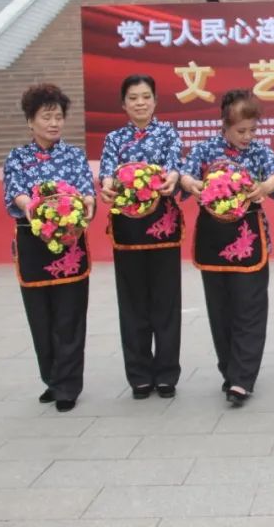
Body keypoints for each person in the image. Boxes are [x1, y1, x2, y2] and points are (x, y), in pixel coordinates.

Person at [180, 90, 274, 406]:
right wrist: (191, 184)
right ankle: (229, 370)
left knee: (250, 308)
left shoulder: (260, 151)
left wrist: (264, 187)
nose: (248, 137)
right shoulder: (206, 150)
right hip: (213, 237)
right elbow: (186, 174)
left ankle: (243, 378)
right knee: (221, 310)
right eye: (241, 131)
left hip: (251, 237)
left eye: (252, 130)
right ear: (225, 125)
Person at [3, 84, 95, 413]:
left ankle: (68, 385)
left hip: (69, 243)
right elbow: (16, 192)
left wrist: (87, 203)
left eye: (58, 117)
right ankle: (52, 378)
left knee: (69, 317)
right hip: (33, 243)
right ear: (31, 121)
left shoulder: (73, 155)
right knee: (41, 319)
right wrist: (32, 206)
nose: (54, 123)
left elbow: (86, 189)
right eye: (46, 117)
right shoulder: (17, 157)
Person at [98, 75, 185, 400]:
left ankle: (166, 374)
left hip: (163, 226)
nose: (140, 103)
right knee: (133, 304)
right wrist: (107, 186)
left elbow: (175, 167)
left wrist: (172, 178)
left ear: (155, 100)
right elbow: (106, 172)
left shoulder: (168, 133)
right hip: (127, 229)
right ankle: (138, 375)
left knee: (166, 302)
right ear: (123, 104)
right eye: (133, 98)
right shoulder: (114, 138)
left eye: (146, 96)